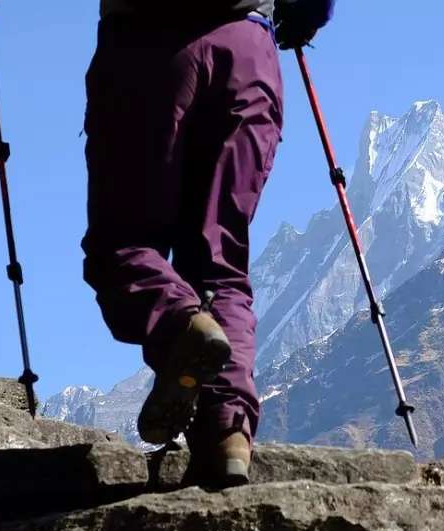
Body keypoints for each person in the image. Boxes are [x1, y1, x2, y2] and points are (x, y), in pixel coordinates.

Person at [81, 0, 334, 487]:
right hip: (247, 53)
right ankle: (227, 433)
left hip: (145, 48)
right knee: (220, 259)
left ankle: (181, 326)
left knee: (124, 244)